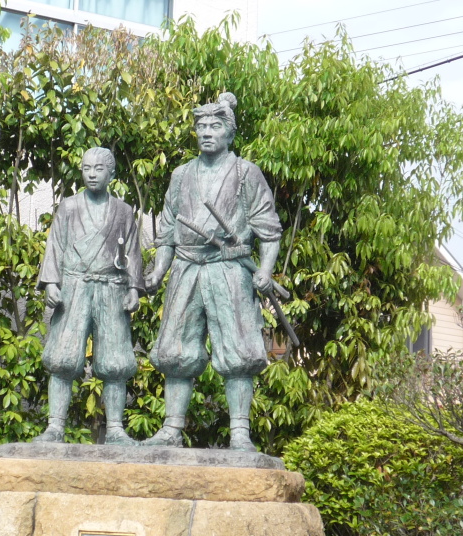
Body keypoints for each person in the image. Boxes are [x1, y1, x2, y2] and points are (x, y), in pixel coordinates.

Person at [143, 93, 282, 451]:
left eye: (215, 126)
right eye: (201, 126)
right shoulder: (181, 175)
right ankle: (171, 428)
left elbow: (269, 230)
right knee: (175, 351)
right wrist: (159, 271)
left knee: (238, 351)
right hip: (186, 268)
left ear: (229, 133)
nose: (206, 132)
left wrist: (265, 270)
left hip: (229, 269)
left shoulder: (245, 173)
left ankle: (240, 432)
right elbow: (167, 231)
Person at [35, 147, 143, 446]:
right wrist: (51, 283)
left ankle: (116, 429)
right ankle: (55, 427)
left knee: (115, 361)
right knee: (62, 358)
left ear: (111, 173)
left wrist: (134, 288)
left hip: (111, 287)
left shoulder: (123, 211)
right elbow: (55, 246)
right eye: (86, 168)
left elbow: (132, 253)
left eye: (99, 169)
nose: (92, 174)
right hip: (75, 286)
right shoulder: (68, 207)